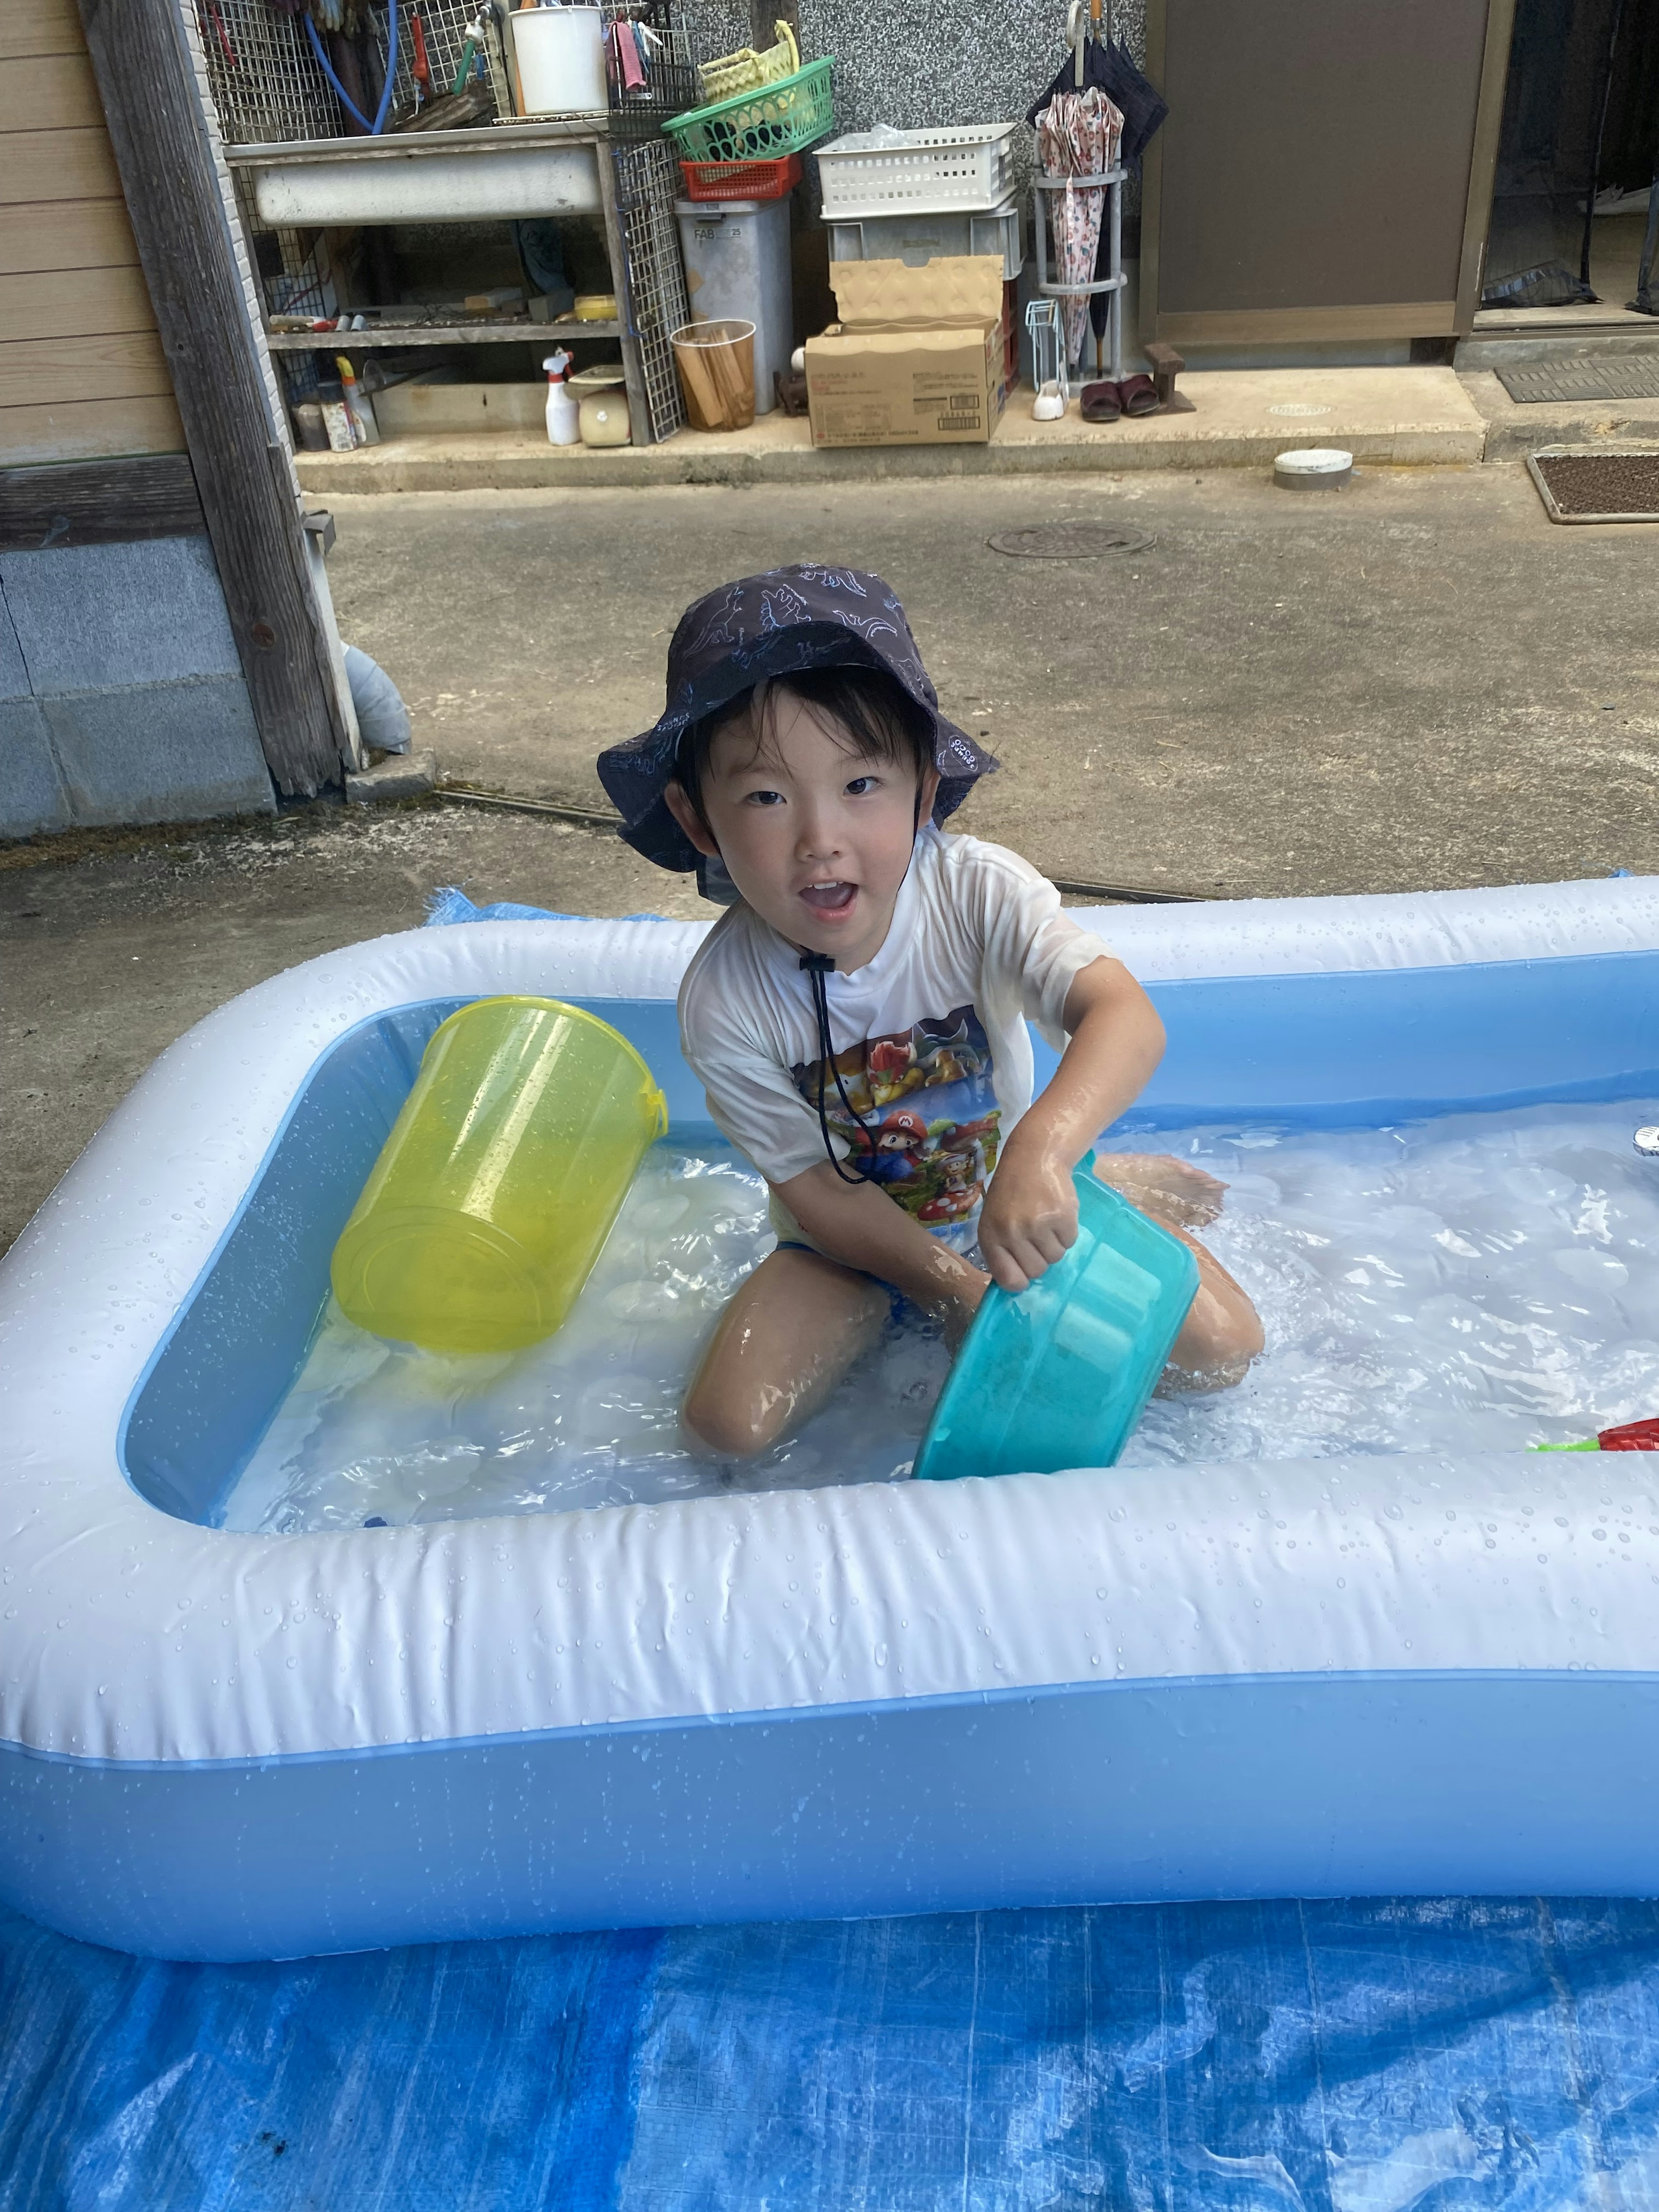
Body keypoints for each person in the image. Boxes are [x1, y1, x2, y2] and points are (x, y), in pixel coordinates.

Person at [597, 566, 1262, 1457]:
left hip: (1007, 1198)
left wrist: (1044, 1152)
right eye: (766, 795)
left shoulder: (974, 893)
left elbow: (1123, 1016)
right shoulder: (725, 1000)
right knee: (727, 1431)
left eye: (861, 784)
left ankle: (1095, 1177)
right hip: (847, 1248)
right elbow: (818, 1191)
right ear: (697, 818)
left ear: (921, 785)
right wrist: (951, 1288)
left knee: (1225, 1353)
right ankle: (1073, 1192)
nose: (819, 837)